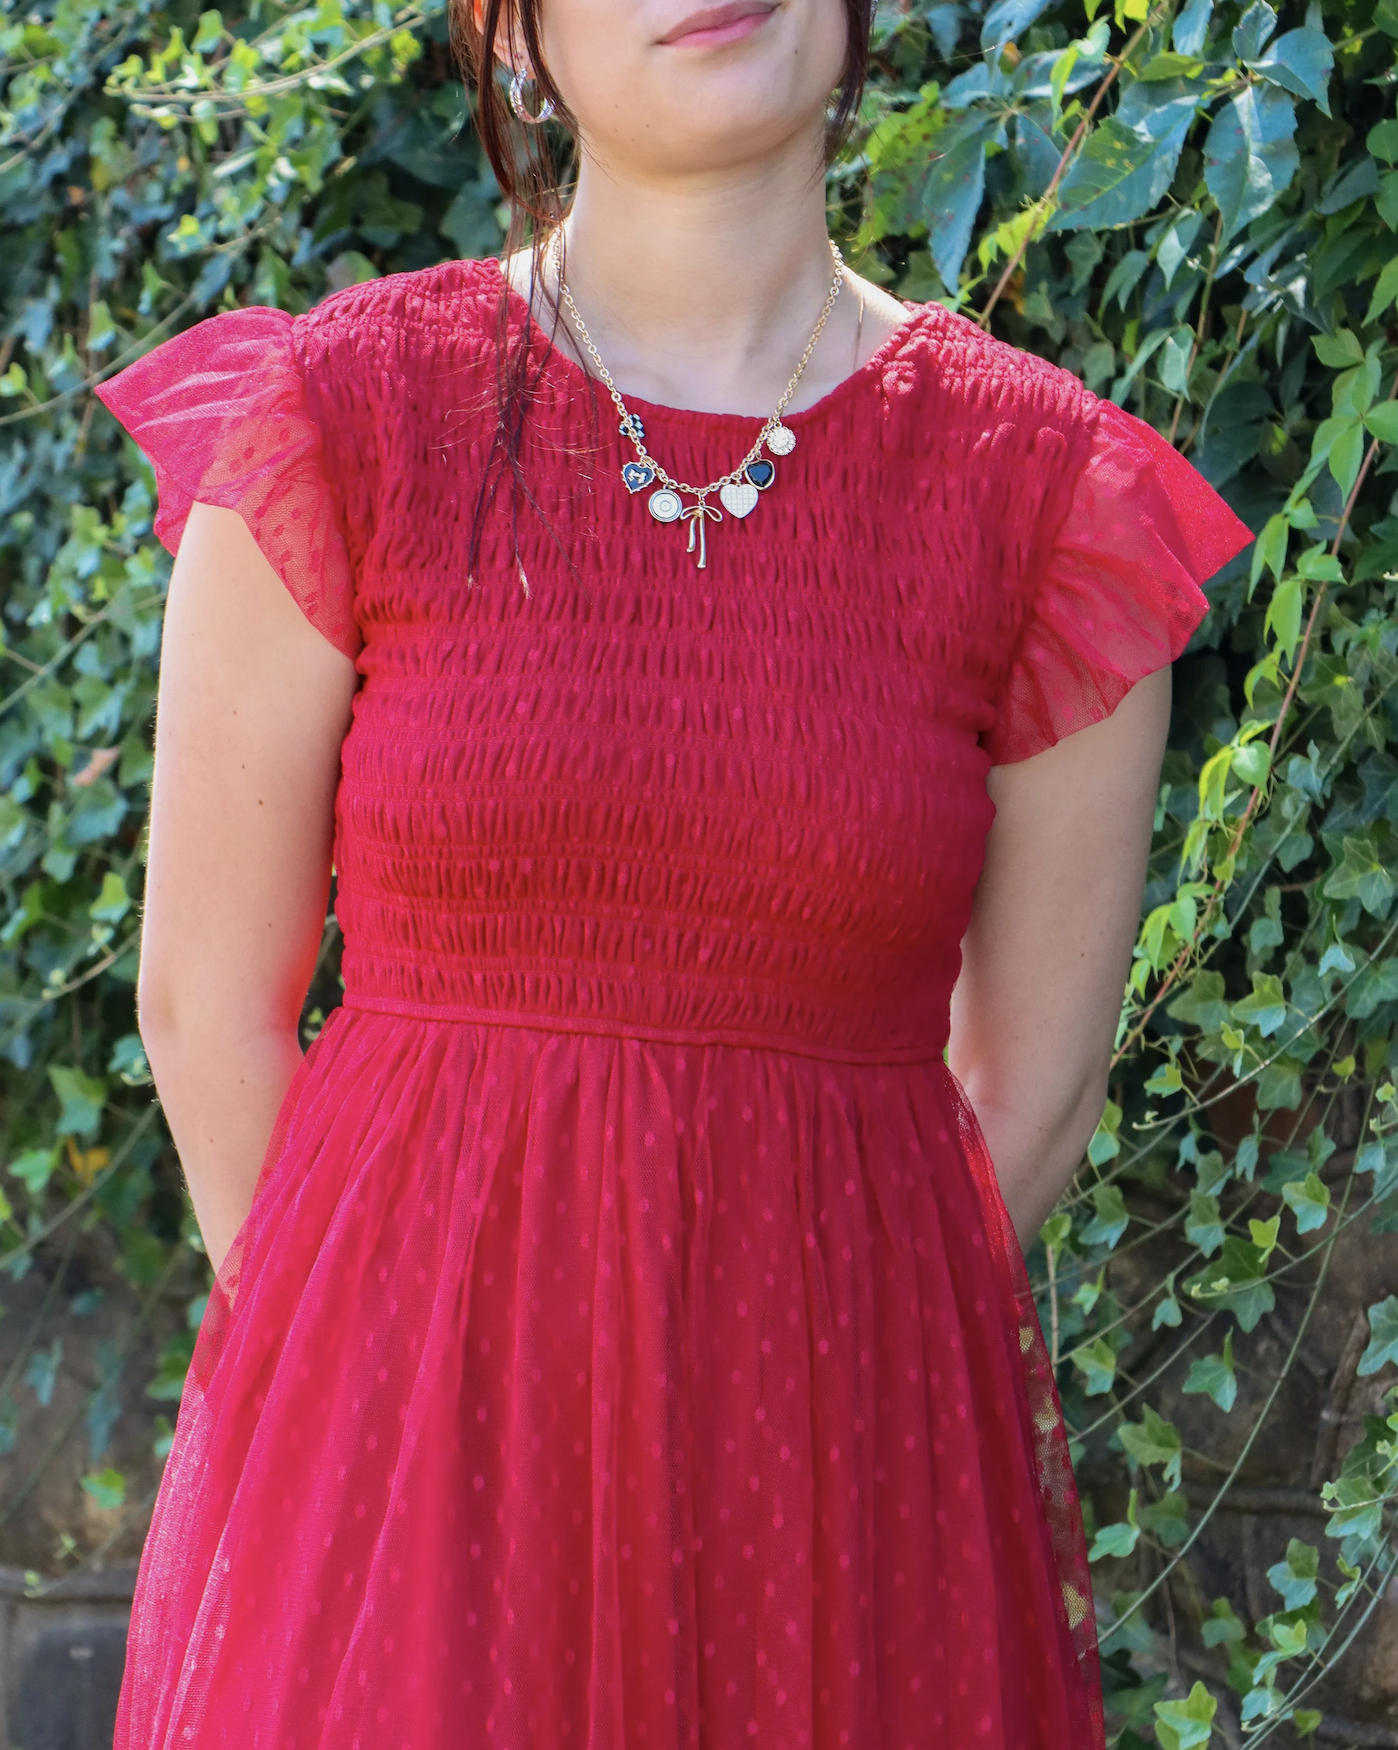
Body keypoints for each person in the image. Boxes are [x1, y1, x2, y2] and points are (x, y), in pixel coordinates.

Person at [91, 1, 1254, 1745]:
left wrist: (773, 1384)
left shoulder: (1048, 499)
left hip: (839, 1502)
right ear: (513, 35)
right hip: (396, 1488)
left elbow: (1031, 1086)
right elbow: (203, 1002)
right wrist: (387, 1405)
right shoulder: (344, 413)